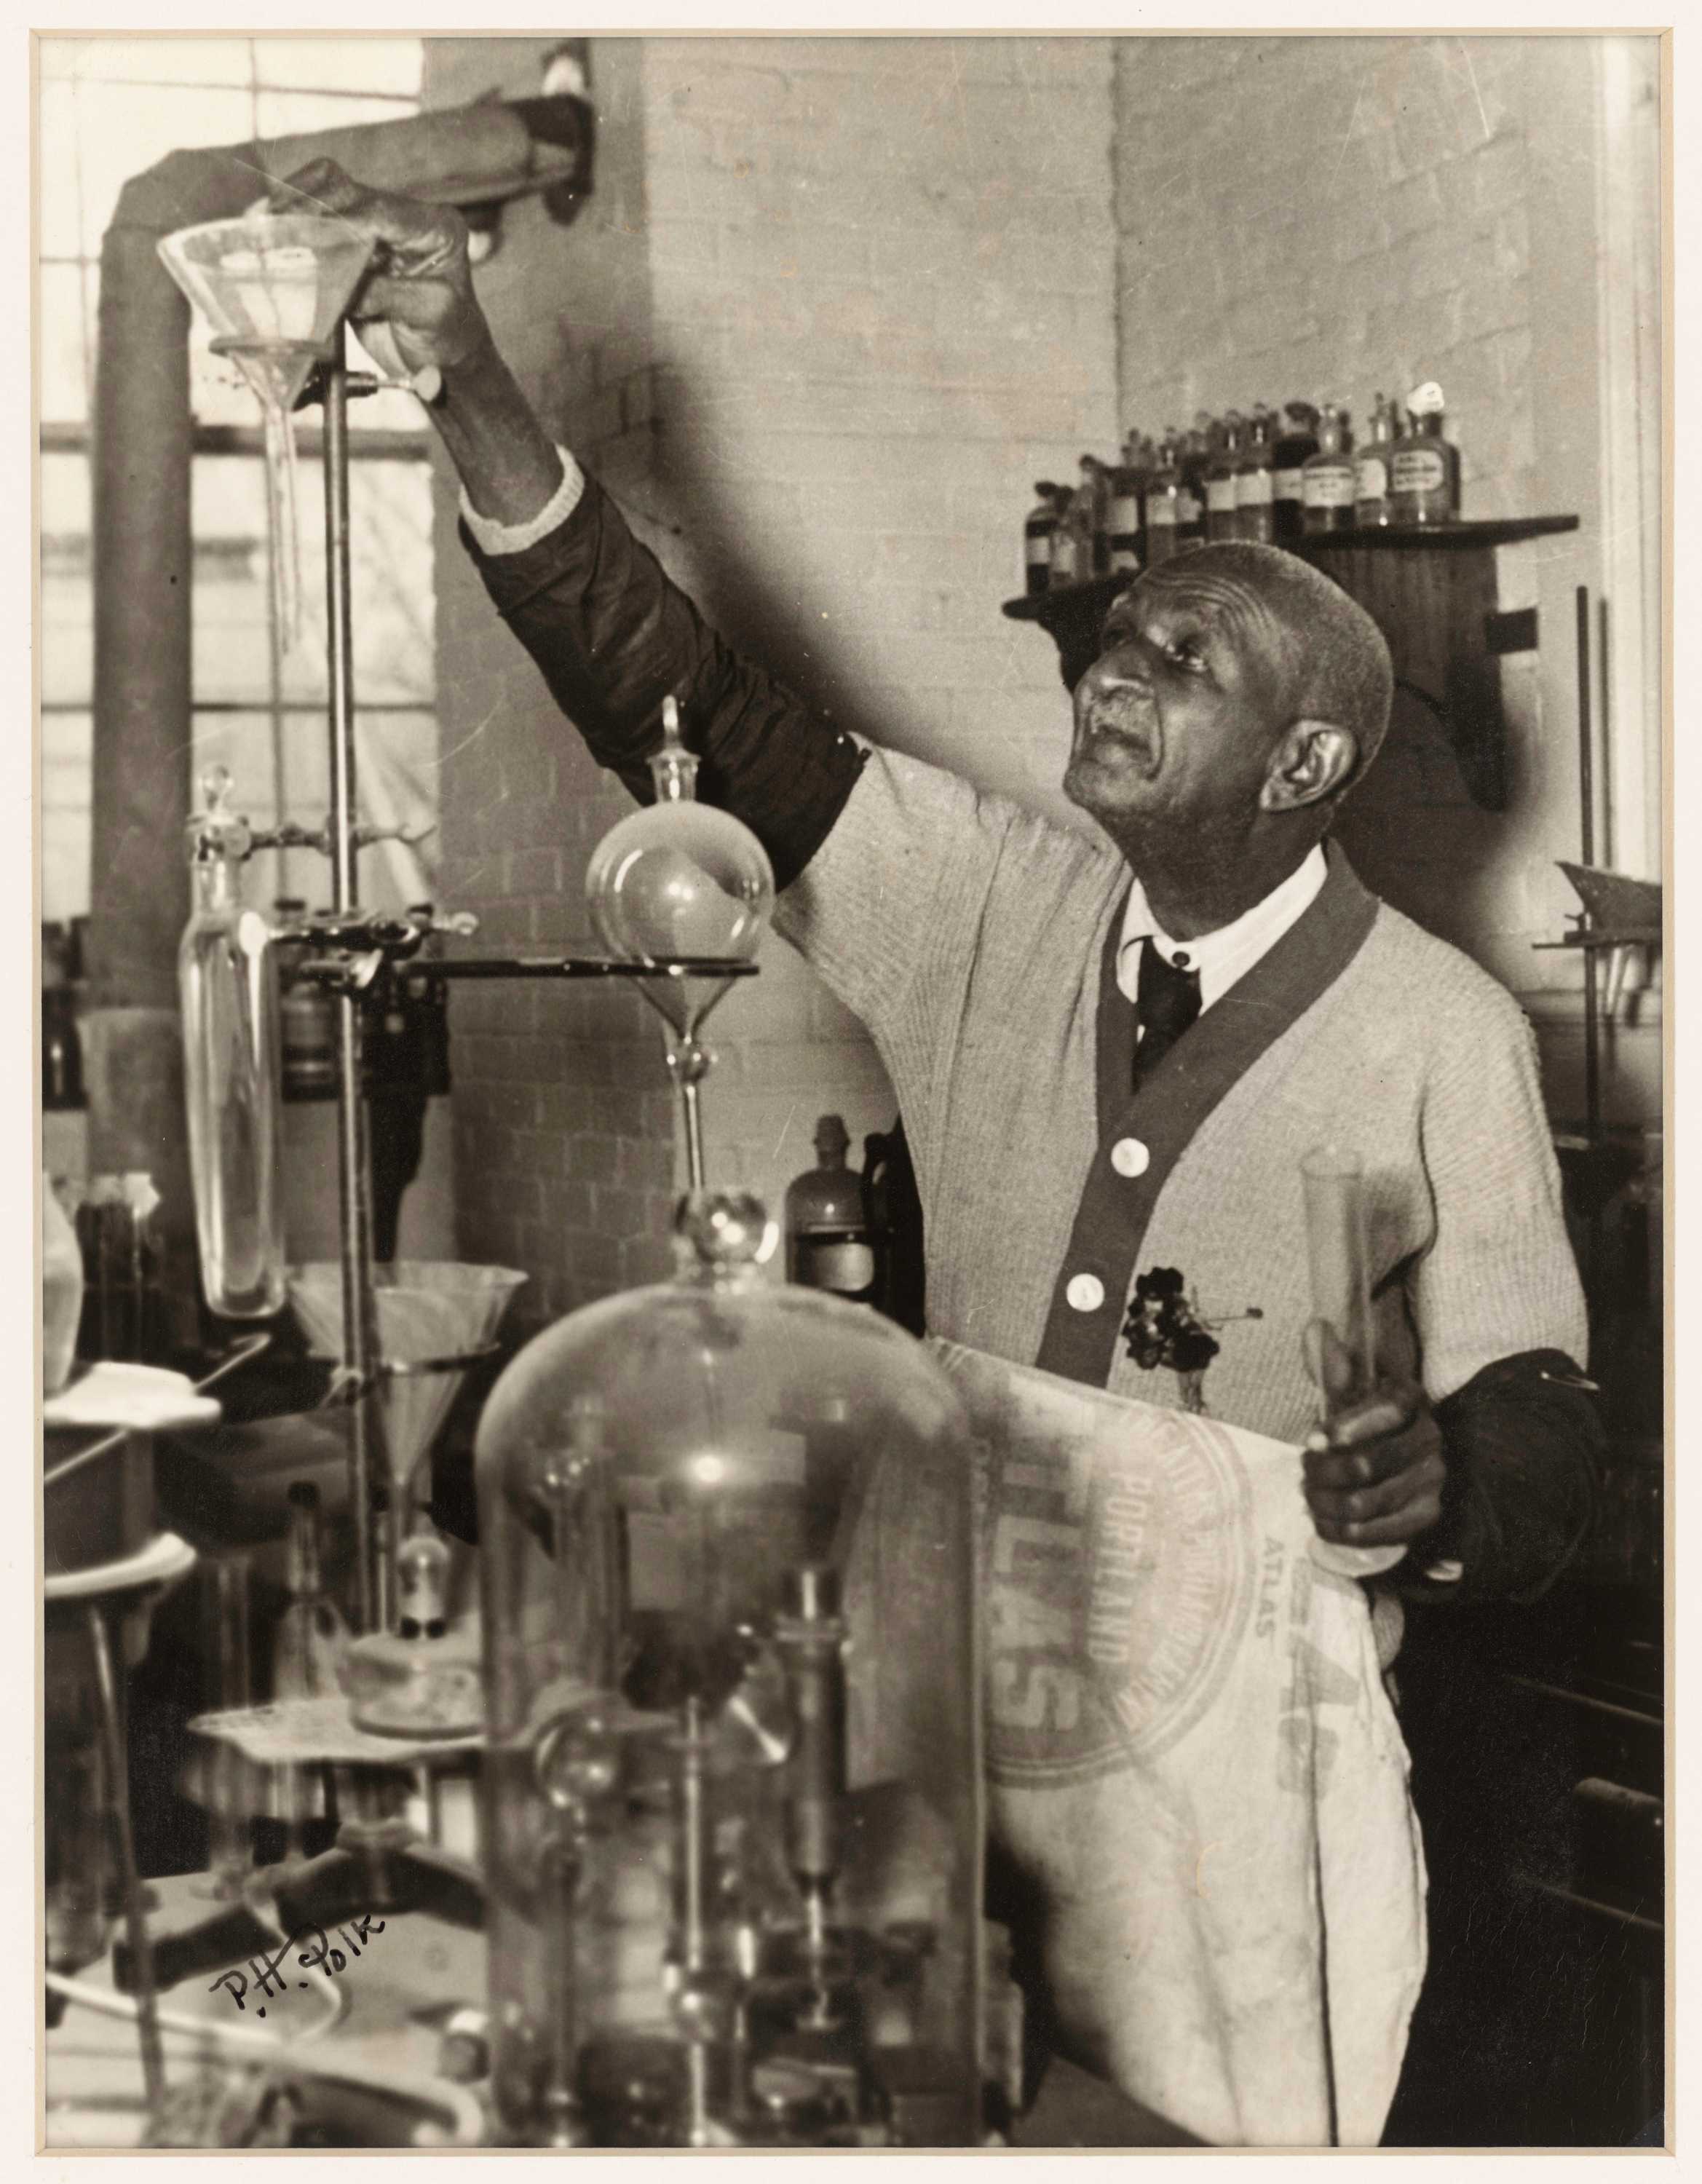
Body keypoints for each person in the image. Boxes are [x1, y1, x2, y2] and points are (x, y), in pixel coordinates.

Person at [283, 159, 1602, 2122]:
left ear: (1309, 760)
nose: (1112, 670)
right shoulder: (983, 903)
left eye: (1186, 659)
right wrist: (463, 373)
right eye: (1115, 637)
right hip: (957, 1721)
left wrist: (1442, 1475)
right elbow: (678, 700)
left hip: (1238, 1785)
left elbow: (1547, 1425)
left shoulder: (1444, 1032)